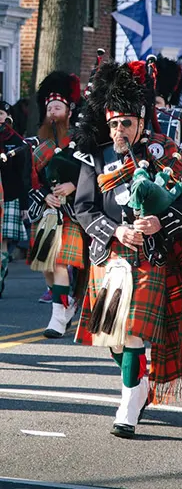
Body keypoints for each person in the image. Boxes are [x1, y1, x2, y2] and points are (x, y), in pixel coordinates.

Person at [71, 59, 182, 438]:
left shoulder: (163, 152)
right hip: (110, 253)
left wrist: (157, 223)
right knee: (113, 338)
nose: (119, 130)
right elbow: (83, 208)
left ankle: (128, 406)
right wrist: (116, 230)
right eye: (114, 123)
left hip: (150, 255)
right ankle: (140, 383)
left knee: (133, 333)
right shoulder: (96, 155)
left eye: (126, 123)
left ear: (141, 121)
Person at [27, 72, 87, 338]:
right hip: (48, 211)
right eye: (49, 108)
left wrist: (73, 186)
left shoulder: (80, 139)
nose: (52, 112)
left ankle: (58, 318)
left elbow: (92, 171)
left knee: (60, 263)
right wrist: (44, 195)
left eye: (58, 107)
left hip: (72, 212)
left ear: (69, 111)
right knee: (48, 267)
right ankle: (68, 303)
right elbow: (30, 179)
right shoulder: (40, 144)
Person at [0, 101, 31, 293]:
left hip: (9, 196)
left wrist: (24, 204)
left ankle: (0, 279)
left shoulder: (17, 141)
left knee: (2, 242)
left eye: (1, 113)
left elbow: (24, 175)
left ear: (8, 116)